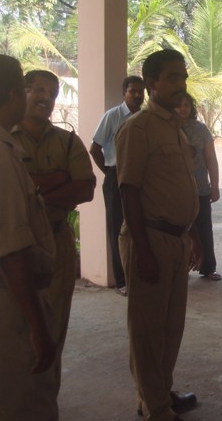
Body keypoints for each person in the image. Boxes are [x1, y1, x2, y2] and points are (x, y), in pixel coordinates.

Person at [116, 49, 199, 421]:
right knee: (148, 329)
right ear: (151, 83)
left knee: (170, 326)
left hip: (177, 238)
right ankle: (155, 407)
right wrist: (144, 250)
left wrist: (191, 234)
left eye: (183, 77)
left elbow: (178, 187)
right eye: (172, 77)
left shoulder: (174, 126)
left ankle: (158, 393)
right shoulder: (138, 128)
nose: (181, 84)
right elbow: (128, 191)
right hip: (149, 238)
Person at [12, 69, 95, 391]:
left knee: (54, 324)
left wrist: (31, 191)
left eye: (52, 92)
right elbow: (4, 189)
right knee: (14, 326)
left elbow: (85, 189)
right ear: (21, 92)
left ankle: (47, 397)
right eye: (38, 89)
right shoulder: (2, 140)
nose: (45, 97)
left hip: (56, 242)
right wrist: (59, 179)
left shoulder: (68, 141)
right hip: (16, 245)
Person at [0, 53, 58, 420]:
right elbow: (11, 251)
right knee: (23, 403)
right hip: (4, 302)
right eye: (26, 89)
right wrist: (37, 325)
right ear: (13, 95)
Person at [89, 75, 145, 295]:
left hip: (141, 178)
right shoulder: (112, 117)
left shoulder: (145, 117)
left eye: (140, 91)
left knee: (140, 225)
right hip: (115, 176)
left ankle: (139, 275)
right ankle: (122, 281)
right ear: (124, 93)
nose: (137, 95)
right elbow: (94, 148)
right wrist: (110, 173)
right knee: (116, 228)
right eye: (133, 91)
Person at [174, 93, 221, 280]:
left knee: (204, 229)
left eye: (186, 104)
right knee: (179, 230)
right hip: (176, 190)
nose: (183, 108)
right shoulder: (166, 127)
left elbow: (211, 158)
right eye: (179, 105)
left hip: (200, 187)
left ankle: (208, 267)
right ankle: (180, 267)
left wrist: (215, 185)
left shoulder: (201, 129)